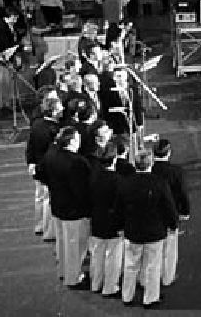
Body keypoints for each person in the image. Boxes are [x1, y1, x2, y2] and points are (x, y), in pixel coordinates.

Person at [115, 149, 178, 308]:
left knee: (130, 265)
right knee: (153, 266)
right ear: (151, 164)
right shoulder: (159, 183)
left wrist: (119, 226)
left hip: (132, 231)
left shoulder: (125, 183)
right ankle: (150, 298)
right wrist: (173, 225)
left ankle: (127, 296)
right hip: (154, 232)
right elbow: (169, 207)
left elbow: (118, 208)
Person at [39, 125, 92, 288]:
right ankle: (73, 277)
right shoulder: (77, 162)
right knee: (75, 246)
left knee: (62, 243)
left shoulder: (51, 156)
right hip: (74, 211)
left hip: (57, 206)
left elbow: (42, 176)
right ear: (72, 141)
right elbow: (82, 190)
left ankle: (63, 271)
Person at [151, 139, 190, 287]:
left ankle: (151, 276)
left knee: (153, 248)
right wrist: (185, 211)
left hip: (152, 213)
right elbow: (183, 193)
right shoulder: (176, 172)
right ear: (169, 153)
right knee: (170, 249)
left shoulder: (149, 169)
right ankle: (167, 277)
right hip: (171, 213)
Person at [88, 141, 125, 297]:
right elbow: (121, 205)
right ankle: (110, 286)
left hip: (97, 220)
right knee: (113, 256)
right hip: (113, 223)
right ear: (114, 159)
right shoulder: (118, 180)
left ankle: (96, 283)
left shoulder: (93, 177)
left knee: (97, 253)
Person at [26, 89, 62, 240]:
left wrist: (31, 163)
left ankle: (40, 225)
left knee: (40, 197)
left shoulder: (36, 124)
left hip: (37, 166)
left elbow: (30, 146)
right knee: (48, 199)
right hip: (47, 168)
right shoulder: (53, 129)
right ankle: (49, 231)